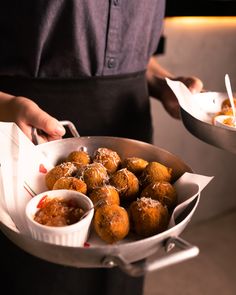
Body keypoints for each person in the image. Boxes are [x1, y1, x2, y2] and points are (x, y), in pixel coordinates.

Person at [0, 1, 203, 295]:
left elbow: (138, 58)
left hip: (130, 134)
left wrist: (165, 84)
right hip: (28, 139)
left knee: (122, 275)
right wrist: (7, 106)